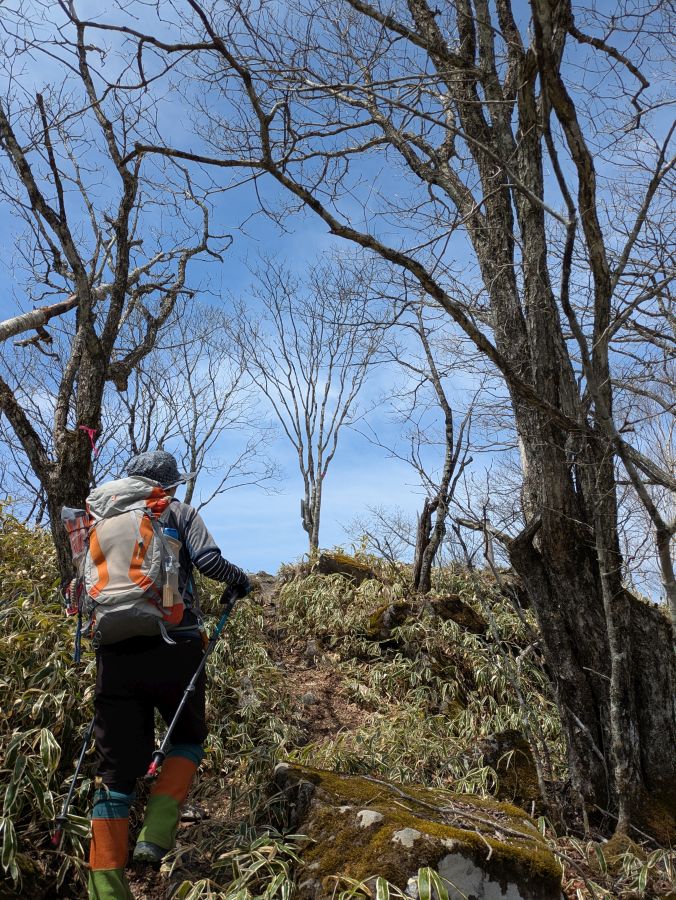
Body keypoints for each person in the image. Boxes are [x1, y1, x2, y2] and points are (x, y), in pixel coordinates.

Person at [88, 450, 251, 900]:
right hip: (173, 644)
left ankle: (107, 890)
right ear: (168, 484)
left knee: (115, 773)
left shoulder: (99, 517)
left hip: (113, 652)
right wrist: (241, 581)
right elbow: (210, 562)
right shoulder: (175, 511)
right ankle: (156, 834)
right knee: (186, 739)